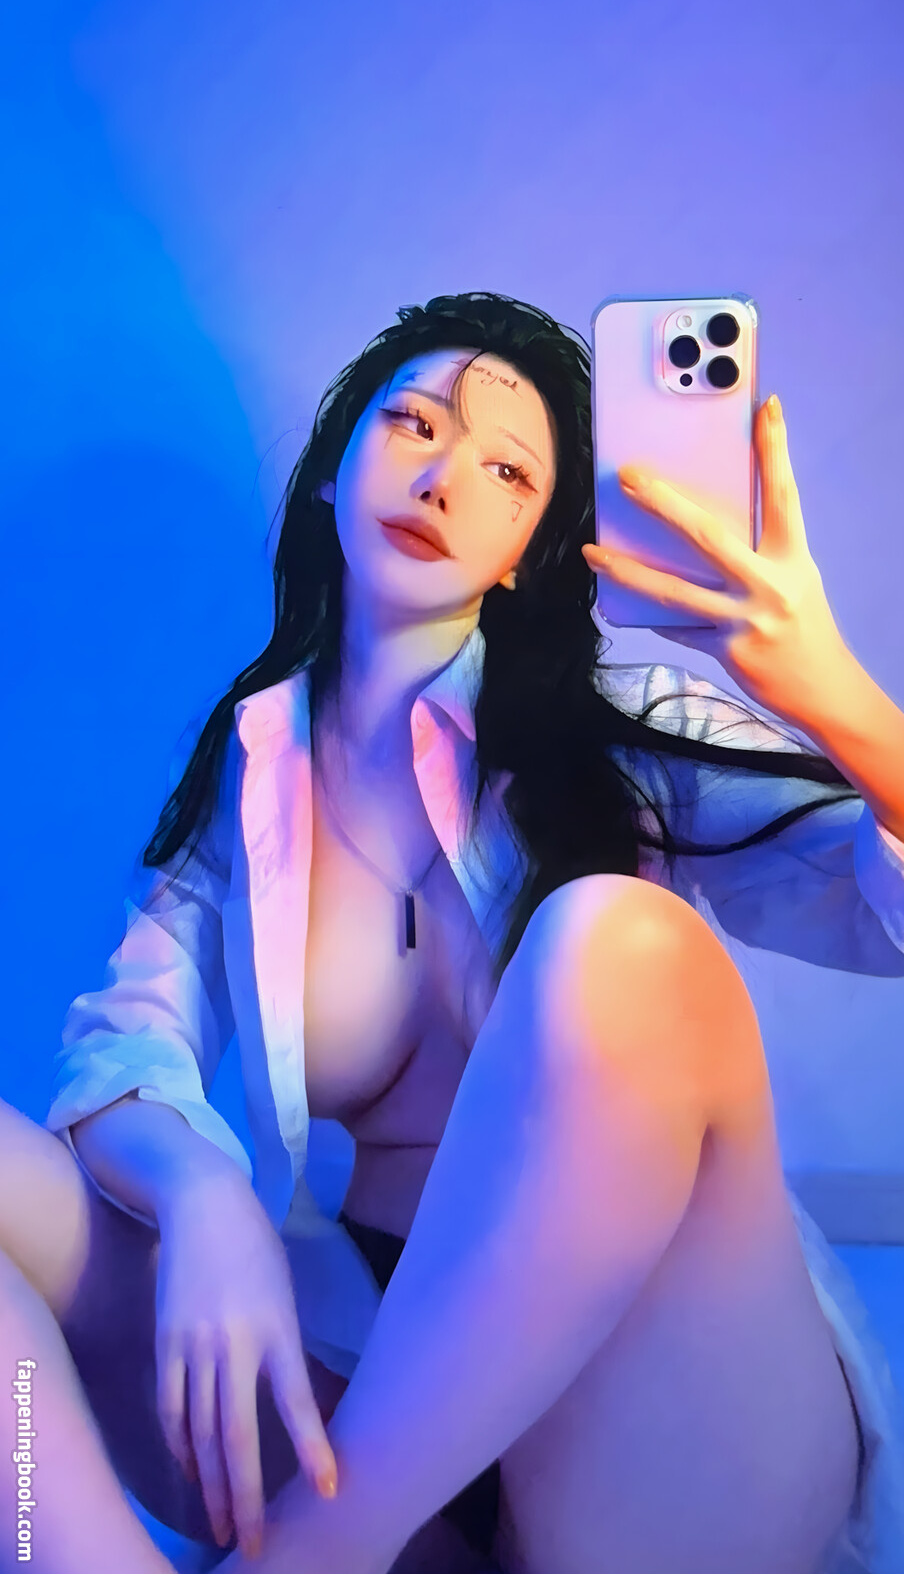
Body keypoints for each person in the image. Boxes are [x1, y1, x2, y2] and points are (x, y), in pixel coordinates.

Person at [2, 289, 904, 1574]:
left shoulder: (621, 721)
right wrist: (203, 1196)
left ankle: (310, 1558)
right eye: (413, 424)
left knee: (613, 938)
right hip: (364, 1378)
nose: (441, 479)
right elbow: (121, 1043)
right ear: (334, 468)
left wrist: (837, 698)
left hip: (652, 1400)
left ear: (532, 550)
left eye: (507, 470)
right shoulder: (255, 763)